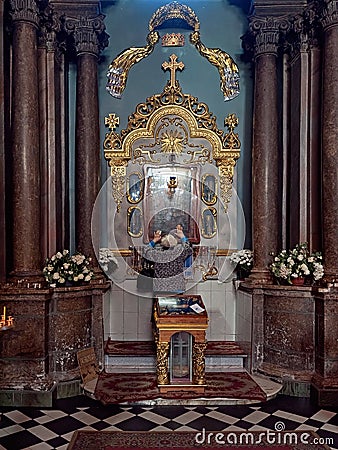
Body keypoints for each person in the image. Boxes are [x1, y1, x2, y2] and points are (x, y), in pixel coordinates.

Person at [144, 224, 192, 294]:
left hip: (160, 289)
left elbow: (145, 251)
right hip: (177, 288)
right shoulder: (179, 252)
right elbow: (188, 249)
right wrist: (182, 236)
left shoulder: (157, 254)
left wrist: (155, 240)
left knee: (159, 305)